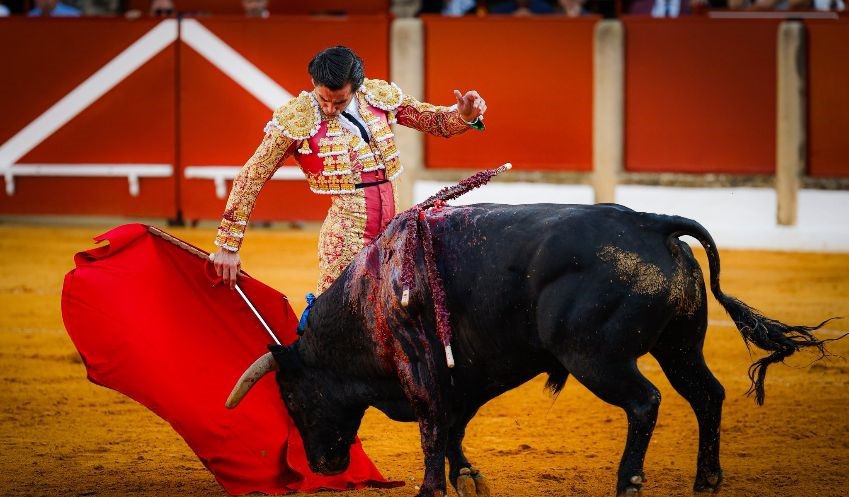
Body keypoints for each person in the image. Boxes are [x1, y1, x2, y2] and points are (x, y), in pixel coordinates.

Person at [210, 46, 486, 294]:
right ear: (314, 84)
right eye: (323, 99)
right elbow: (252, 174)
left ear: (356, 87)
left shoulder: (376, 96)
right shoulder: (297, 117)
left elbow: (434, 121)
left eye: (339, 101)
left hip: (393, 230)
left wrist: (463, 116)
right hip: (346, 235)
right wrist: (228, 245)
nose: (330, 108)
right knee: (339, 314)